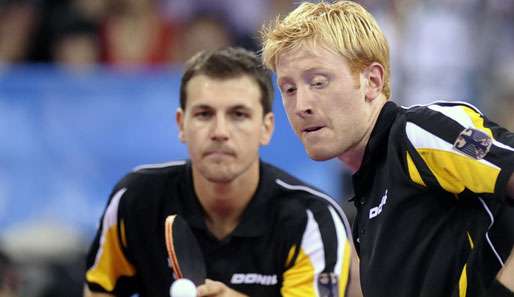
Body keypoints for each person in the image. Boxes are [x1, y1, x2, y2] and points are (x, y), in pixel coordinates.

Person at [260, 1, 514, 297]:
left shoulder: (419, 133)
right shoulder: (365, 205)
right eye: (289, 89)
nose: (301, 105)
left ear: (372, 81)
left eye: (318, 82)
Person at [83, 47, 362, 297]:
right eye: (204, 114)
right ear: (182, 124)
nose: (219, 132)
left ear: (266, 128)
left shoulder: (312, 219)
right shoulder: (135, 200)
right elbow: (99, 290)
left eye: (238, 115)